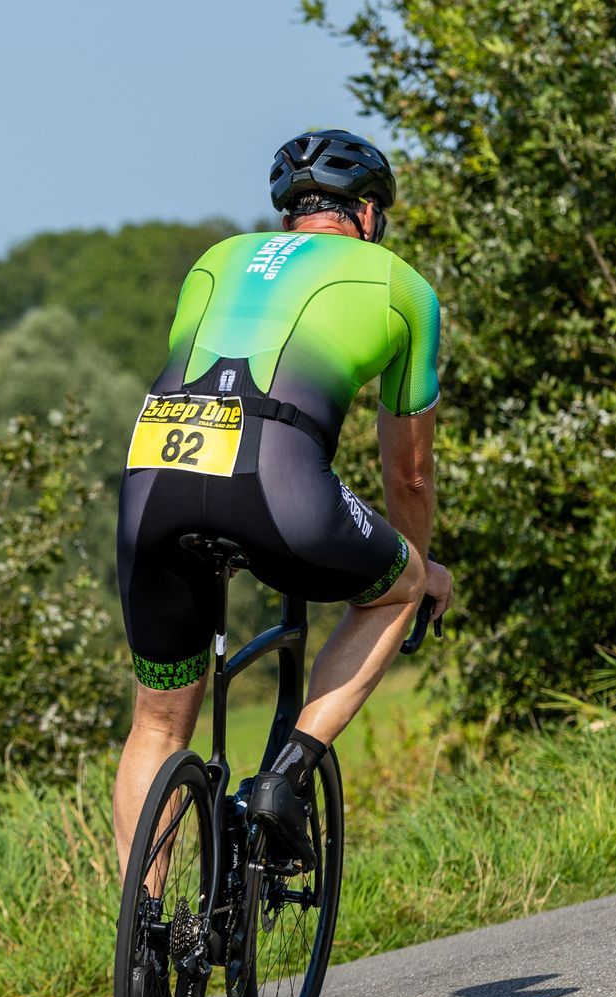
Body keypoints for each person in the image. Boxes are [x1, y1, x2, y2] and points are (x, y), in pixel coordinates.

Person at [114, 129, 455, 882]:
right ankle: (285, 779)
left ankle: (145, 934)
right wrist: (420, 561)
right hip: (275, 480)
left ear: (287, 215)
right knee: (400, 584)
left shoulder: (215, 260)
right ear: (368, 214)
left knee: (157, 726)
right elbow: (410, 476)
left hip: (153, 476)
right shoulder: (402, 287)